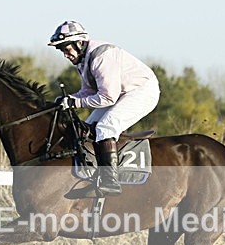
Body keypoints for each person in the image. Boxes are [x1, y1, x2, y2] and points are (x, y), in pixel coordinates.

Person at [49, 20, 160, 197]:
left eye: (65, 48)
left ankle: (110, 182)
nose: (64, 54)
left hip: (142, 91)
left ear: (79, 43)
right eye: (61, 50)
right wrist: (67, 99)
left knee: (106, 127)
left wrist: (75, 103)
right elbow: (87, 92)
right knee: (87, 126)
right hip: (122, 93)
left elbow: (108, 97)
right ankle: (95, 176)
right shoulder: (83, 61)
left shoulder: (101, 56)